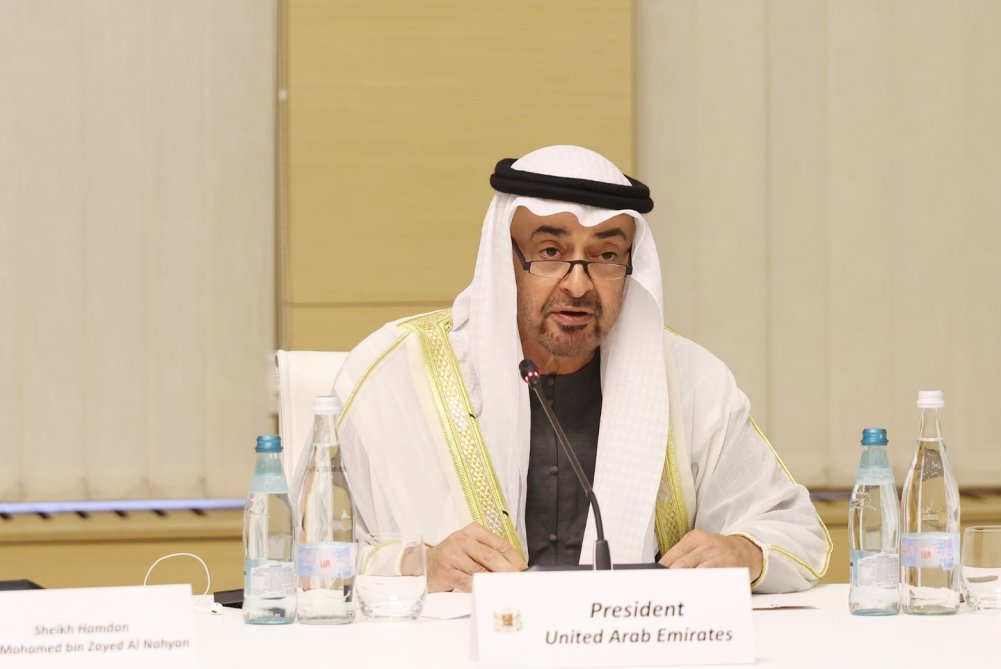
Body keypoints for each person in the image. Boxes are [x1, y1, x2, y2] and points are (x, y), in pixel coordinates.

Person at [325, 145, 831, 594]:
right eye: (550, 253)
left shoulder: (690, 380)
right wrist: (420, 564)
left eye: (606, 256)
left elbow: (797, 535)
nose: (578, 285)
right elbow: (308, 553)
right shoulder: (392, 374)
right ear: (504, 260)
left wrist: (746, 553)